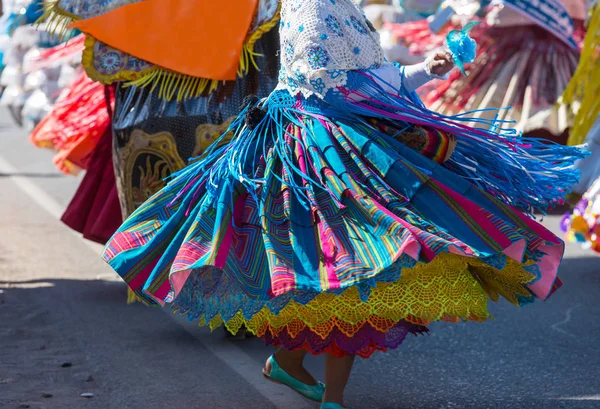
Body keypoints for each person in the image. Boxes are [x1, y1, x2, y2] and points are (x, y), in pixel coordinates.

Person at [100, 1, 584, 408]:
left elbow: (363, 80)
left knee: (348, 273)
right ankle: (326, 392)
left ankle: (292, 370)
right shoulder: (310, 4)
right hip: (317, 146)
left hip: (338, 136)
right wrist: (412, 77)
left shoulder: (337, 4)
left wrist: (423, 70)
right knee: (343, 268)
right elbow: (331, 83)